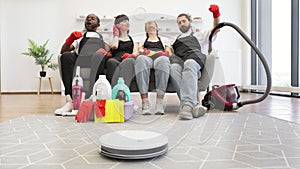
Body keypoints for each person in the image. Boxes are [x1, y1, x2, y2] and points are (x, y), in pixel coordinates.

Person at [170, 4, 221, 120]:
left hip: (195, 61)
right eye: (179, 22)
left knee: (189, 63)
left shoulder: (199, 34)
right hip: (181, 62)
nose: (182, 24)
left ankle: (187, 105)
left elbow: (216, 29)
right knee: (173, 68)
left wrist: (216, 15)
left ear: (190, 21)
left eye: (184, 21)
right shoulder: (175, 39)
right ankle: (194, 105)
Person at [54, 13, 111, 115]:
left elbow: (110, 53)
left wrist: (106, 53)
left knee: (98, 56)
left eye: (92, 18)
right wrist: (70, 40)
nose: (89, 20)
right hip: (80, 60)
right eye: (87, 19)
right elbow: (63, 51)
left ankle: (90, 97)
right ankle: (71, 101)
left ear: (98, 24)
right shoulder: (80, 38)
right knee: (66, 56)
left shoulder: (103, 39)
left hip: (95, 60)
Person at [135, 20, 172, 115]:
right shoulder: (142, 39)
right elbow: (139, 51)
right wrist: (143, 51)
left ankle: (159, 103)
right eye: (148, 24)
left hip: (160, 58)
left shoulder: (164, 40)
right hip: (146, 57)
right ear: (145, 30)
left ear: (157, 28)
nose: (150, 24)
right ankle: (145, 102)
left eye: (152, 23)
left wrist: (162, 53)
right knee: (141, 59)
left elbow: (169, 53)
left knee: (164, 60)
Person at [106, 14, 139, 87]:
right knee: (111, 62)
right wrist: (116, 34)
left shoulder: (133, 39)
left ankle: (124, 89)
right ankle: (113, 89)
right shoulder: (113, 39)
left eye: (128, 21)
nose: (127, 23)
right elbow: (115, 46)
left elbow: (136, 51)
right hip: (116, 59)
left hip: (128, 59)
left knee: (129, 62)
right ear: (117, 25)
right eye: (124, 21)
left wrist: (131, 55)